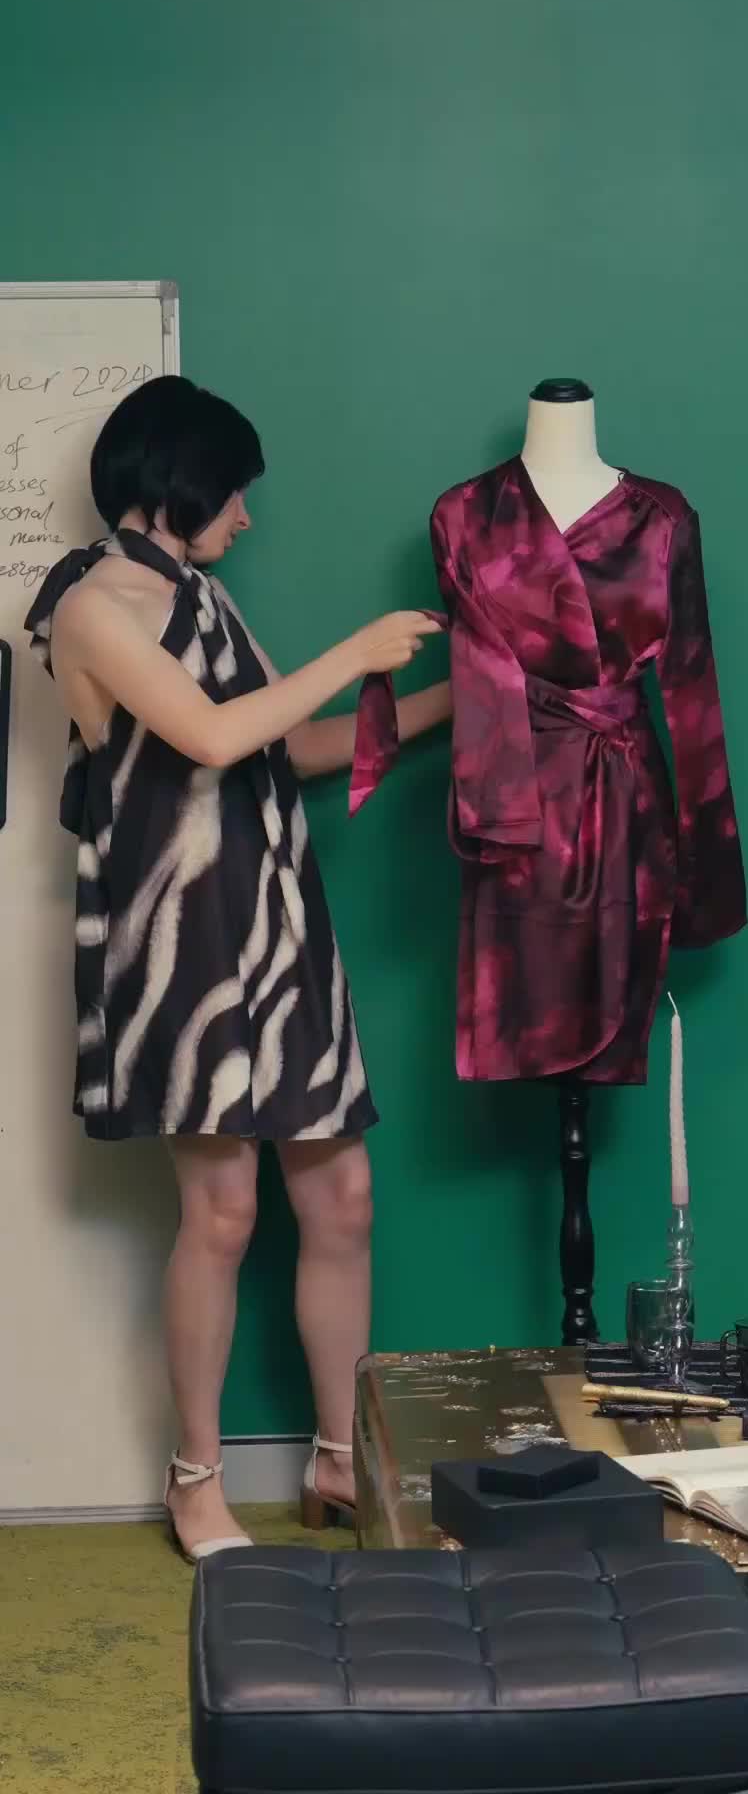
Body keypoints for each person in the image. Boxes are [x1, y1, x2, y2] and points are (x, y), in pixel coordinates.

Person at [24, 376, 448, 1560]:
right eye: (236, 492)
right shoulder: (92, 606)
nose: (247, 516)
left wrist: (449, 706)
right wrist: (356, 651)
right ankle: (195, 1479)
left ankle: (338, 1460)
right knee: (223, 1213)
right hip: (182, 945)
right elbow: (212, 736)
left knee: (343, 1199)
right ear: (182, 480)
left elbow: (290, 746)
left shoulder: (199, 596)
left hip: (277, 927)